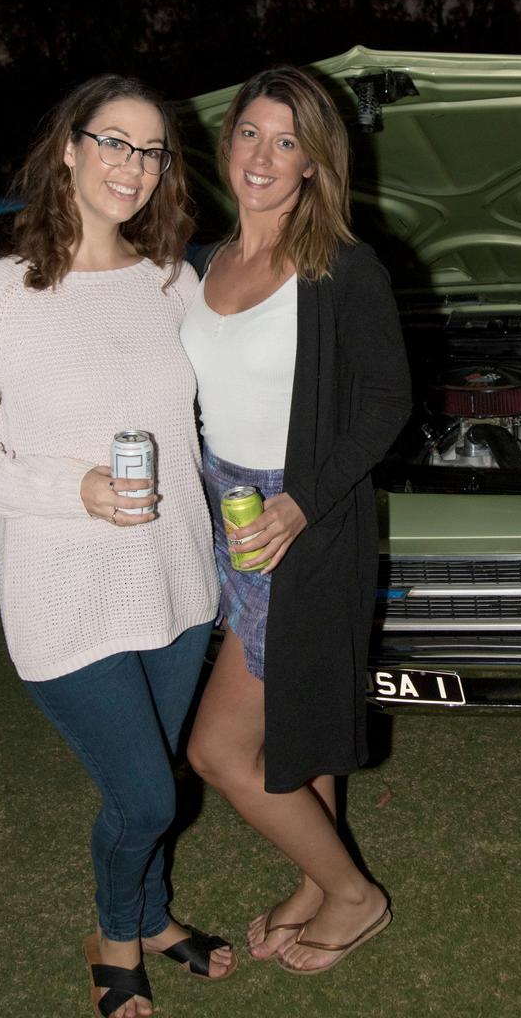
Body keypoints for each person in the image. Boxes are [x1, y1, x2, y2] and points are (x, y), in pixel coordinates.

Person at [0, 75, 237, 1018]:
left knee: (162, 777)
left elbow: (207, 418)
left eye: (150, 152)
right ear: (69, 148)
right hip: (65, 591)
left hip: (176, 584)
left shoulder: (175, 279)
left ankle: (153, 918)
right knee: (145, 798)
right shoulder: (4, 291)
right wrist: (74, 489)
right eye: (112, 142)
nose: (131, 168)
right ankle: (113, 934)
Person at [182, 65, 412, 974]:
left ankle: (356, 896)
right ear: (227, 139)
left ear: (315, 162)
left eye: (288, 142)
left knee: (217, 749)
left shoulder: (341, 267)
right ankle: (320, 881)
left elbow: (388, 400)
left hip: (300, 520)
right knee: (305, 717)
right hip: (224, 507)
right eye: (251, 134)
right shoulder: (205, 262)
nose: (265, 157)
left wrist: (303, 501)